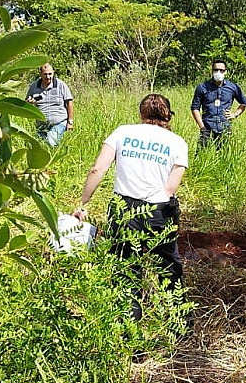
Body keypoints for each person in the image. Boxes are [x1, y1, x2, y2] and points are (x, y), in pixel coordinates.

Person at [73, 94, 188, 322]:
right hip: (160, 211)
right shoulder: (177, 142)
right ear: (167, 115)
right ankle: (180, 324)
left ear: (141, 114)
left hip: (125, 210)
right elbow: (170, 188)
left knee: (125, 271)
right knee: (168, 267)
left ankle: (128, 330)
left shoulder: (123, 132)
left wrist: (82, 203)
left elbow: (98, 169)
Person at [191, 59, 246, 148]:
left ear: (225, 72)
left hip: (225, 129)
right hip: (207, 128)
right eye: (216, 70)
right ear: (212, 71)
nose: (218, 72)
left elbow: (244, 103)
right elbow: (195, 108)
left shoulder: (232, 87)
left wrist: (235, 114)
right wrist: (202, 127)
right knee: (203, 157)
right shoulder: (202, 87)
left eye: (221, 70)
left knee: (224, 157)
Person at [25, 63, 74, 146]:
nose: (48, 77)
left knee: (51, 142)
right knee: (40, 146)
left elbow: (69, 102)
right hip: (41, 125)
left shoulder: (60, 85)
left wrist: (70, 122)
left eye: (50, 74)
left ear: (53, 73)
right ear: (40, 74)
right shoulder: (34, 86)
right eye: (45, 74)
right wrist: (30, 102)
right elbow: (26, 102)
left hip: (59, 122)